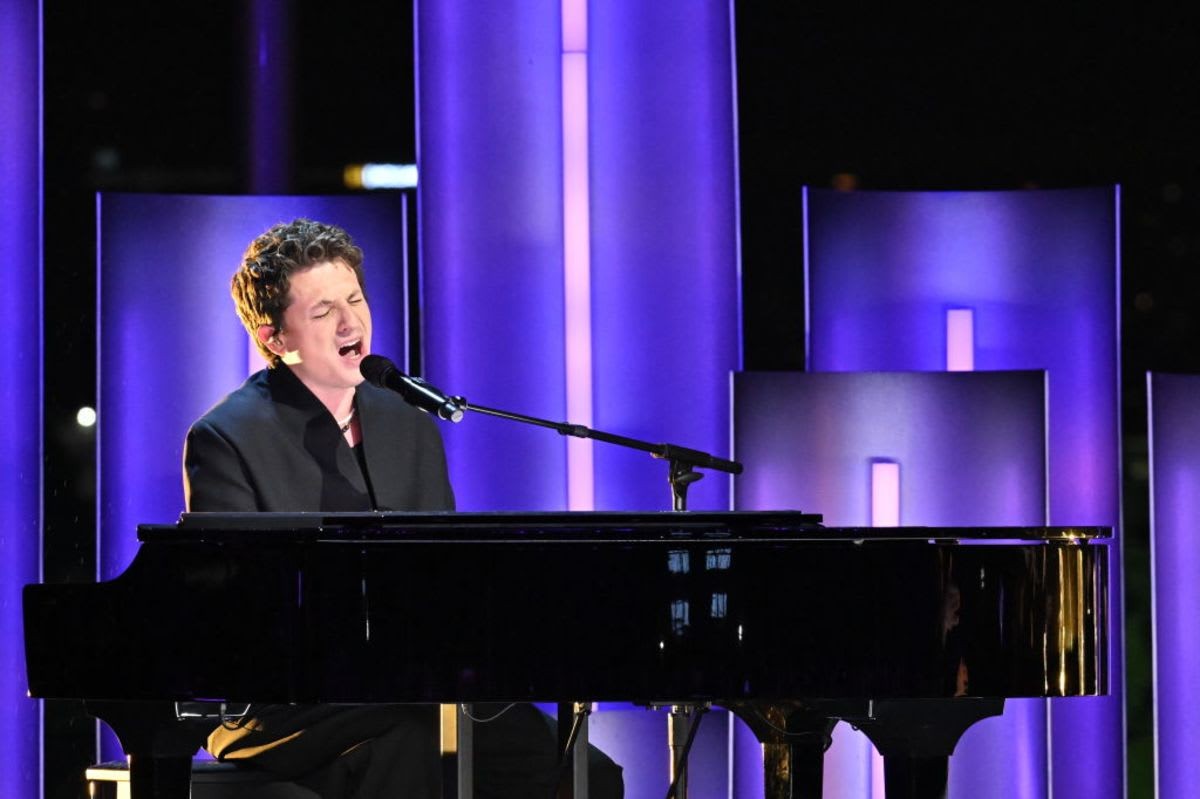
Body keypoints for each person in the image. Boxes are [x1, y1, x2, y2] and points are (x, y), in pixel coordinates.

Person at [183, 218, 623, 798]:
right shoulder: (226, 436)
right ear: (274, 338)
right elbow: (237, 612)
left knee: (586, 771)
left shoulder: (404, 420)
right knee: (412, 742)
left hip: (413, 685)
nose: (351, 322)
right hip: (283, 704)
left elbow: (445, 567)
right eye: (322, 312)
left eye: (356, 299)